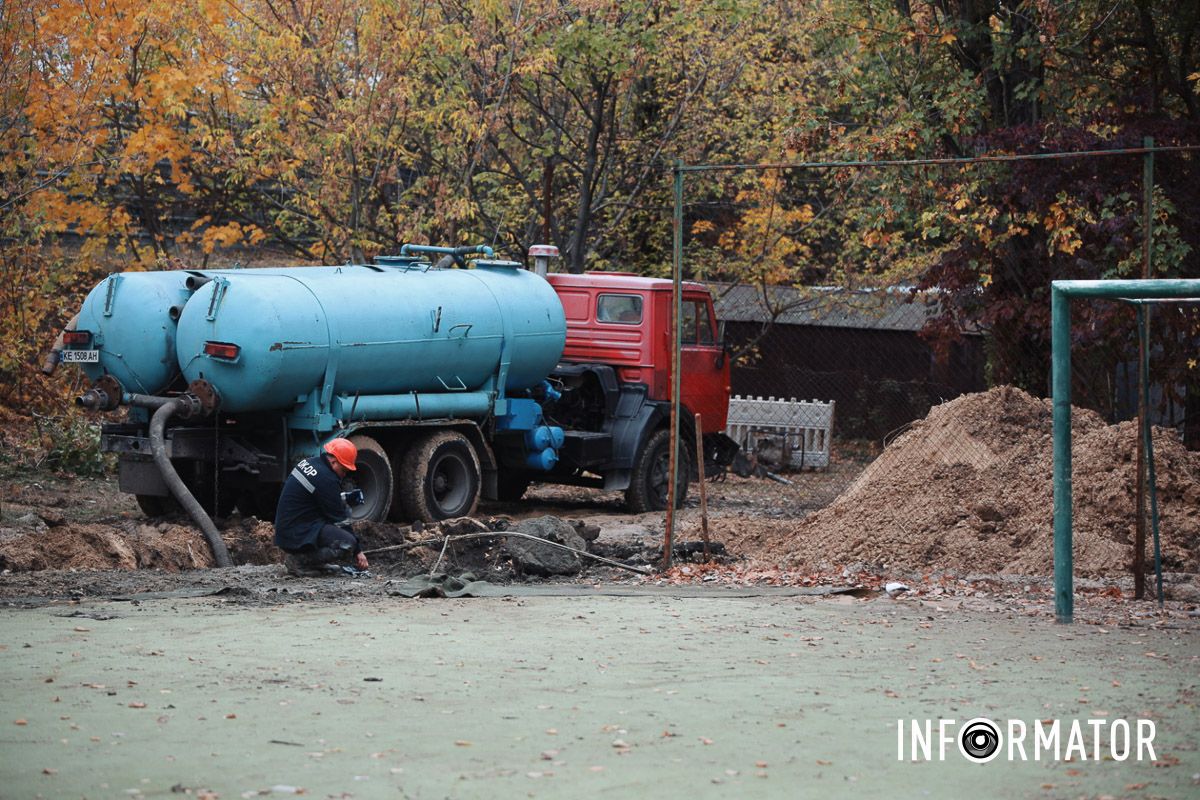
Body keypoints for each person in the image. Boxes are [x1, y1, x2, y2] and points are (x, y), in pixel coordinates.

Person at [274, 439, 370, 576]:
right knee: (347, 543)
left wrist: (342, 498)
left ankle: (314, 561)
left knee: (337, 529)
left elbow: (317, 498)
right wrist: (358, 550)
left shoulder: (312, 463)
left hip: (288, 528)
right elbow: (340, 520)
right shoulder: (327, 479)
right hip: (297, 533)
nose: (344, 475)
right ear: (334, 462)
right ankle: (300, 561)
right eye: (344, 470)